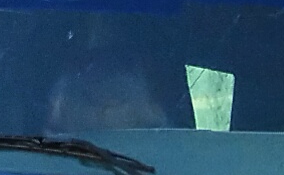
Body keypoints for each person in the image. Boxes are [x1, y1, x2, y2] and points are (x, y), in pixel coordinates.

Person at [42, 51, 189, 135]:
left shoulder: (173, 155)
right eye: (87, 97)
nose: (101, 109)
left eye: (117, 95)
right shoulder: (37, 154)